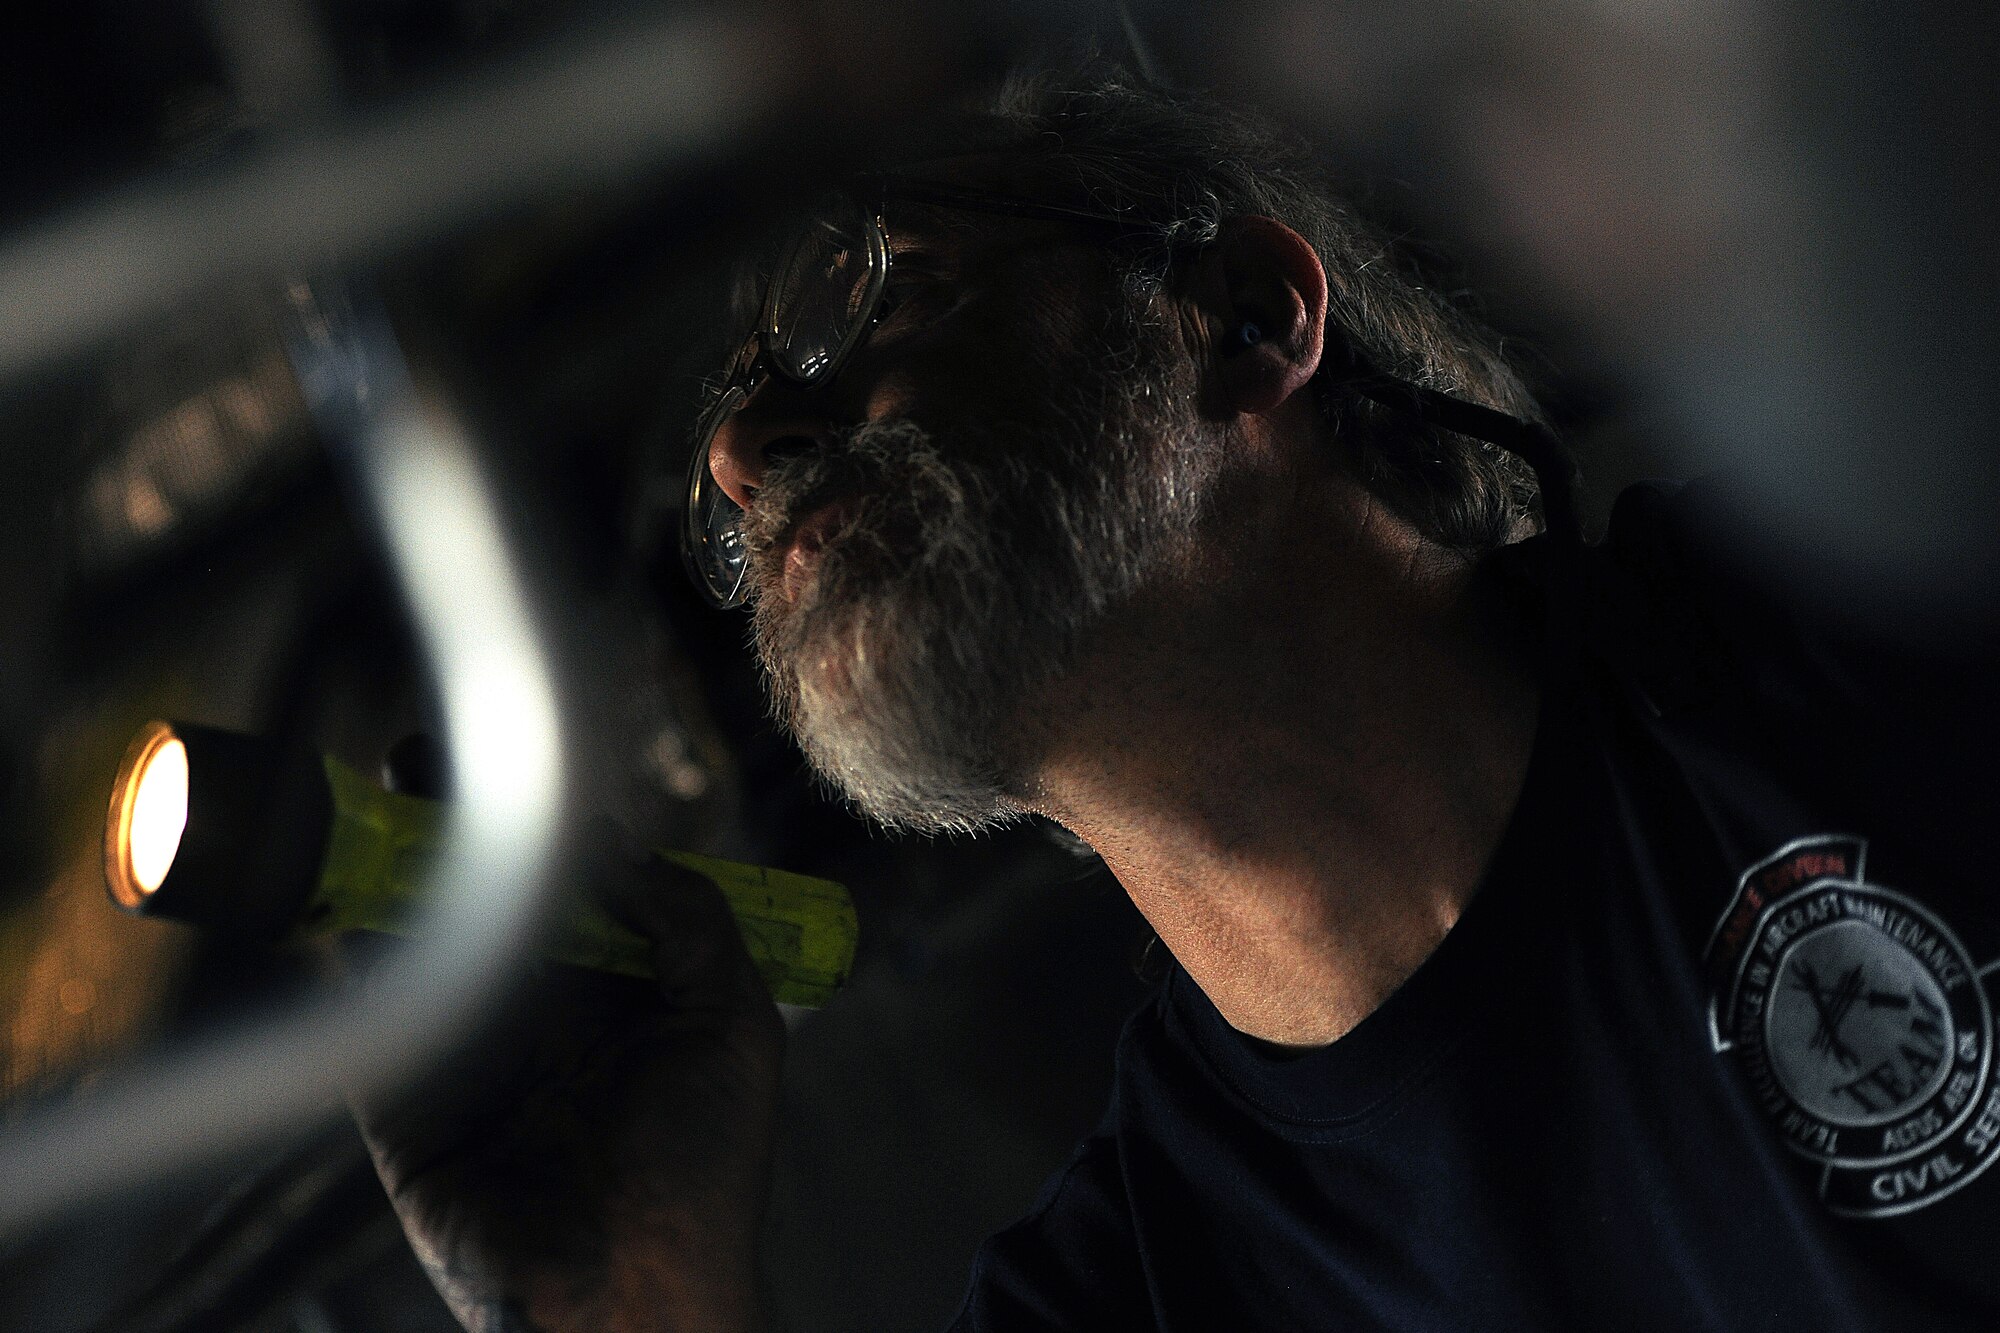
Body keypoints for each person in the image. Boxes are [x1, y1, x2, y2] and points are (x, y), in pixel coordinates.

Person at [354, 67, 2000, 1331]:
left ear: (1245, 319)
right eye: (728, 467)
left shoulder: (1869, 609)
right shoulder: (1148, 1290)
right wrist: (632, 1306)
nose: (742, 456)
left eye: (878, 297)